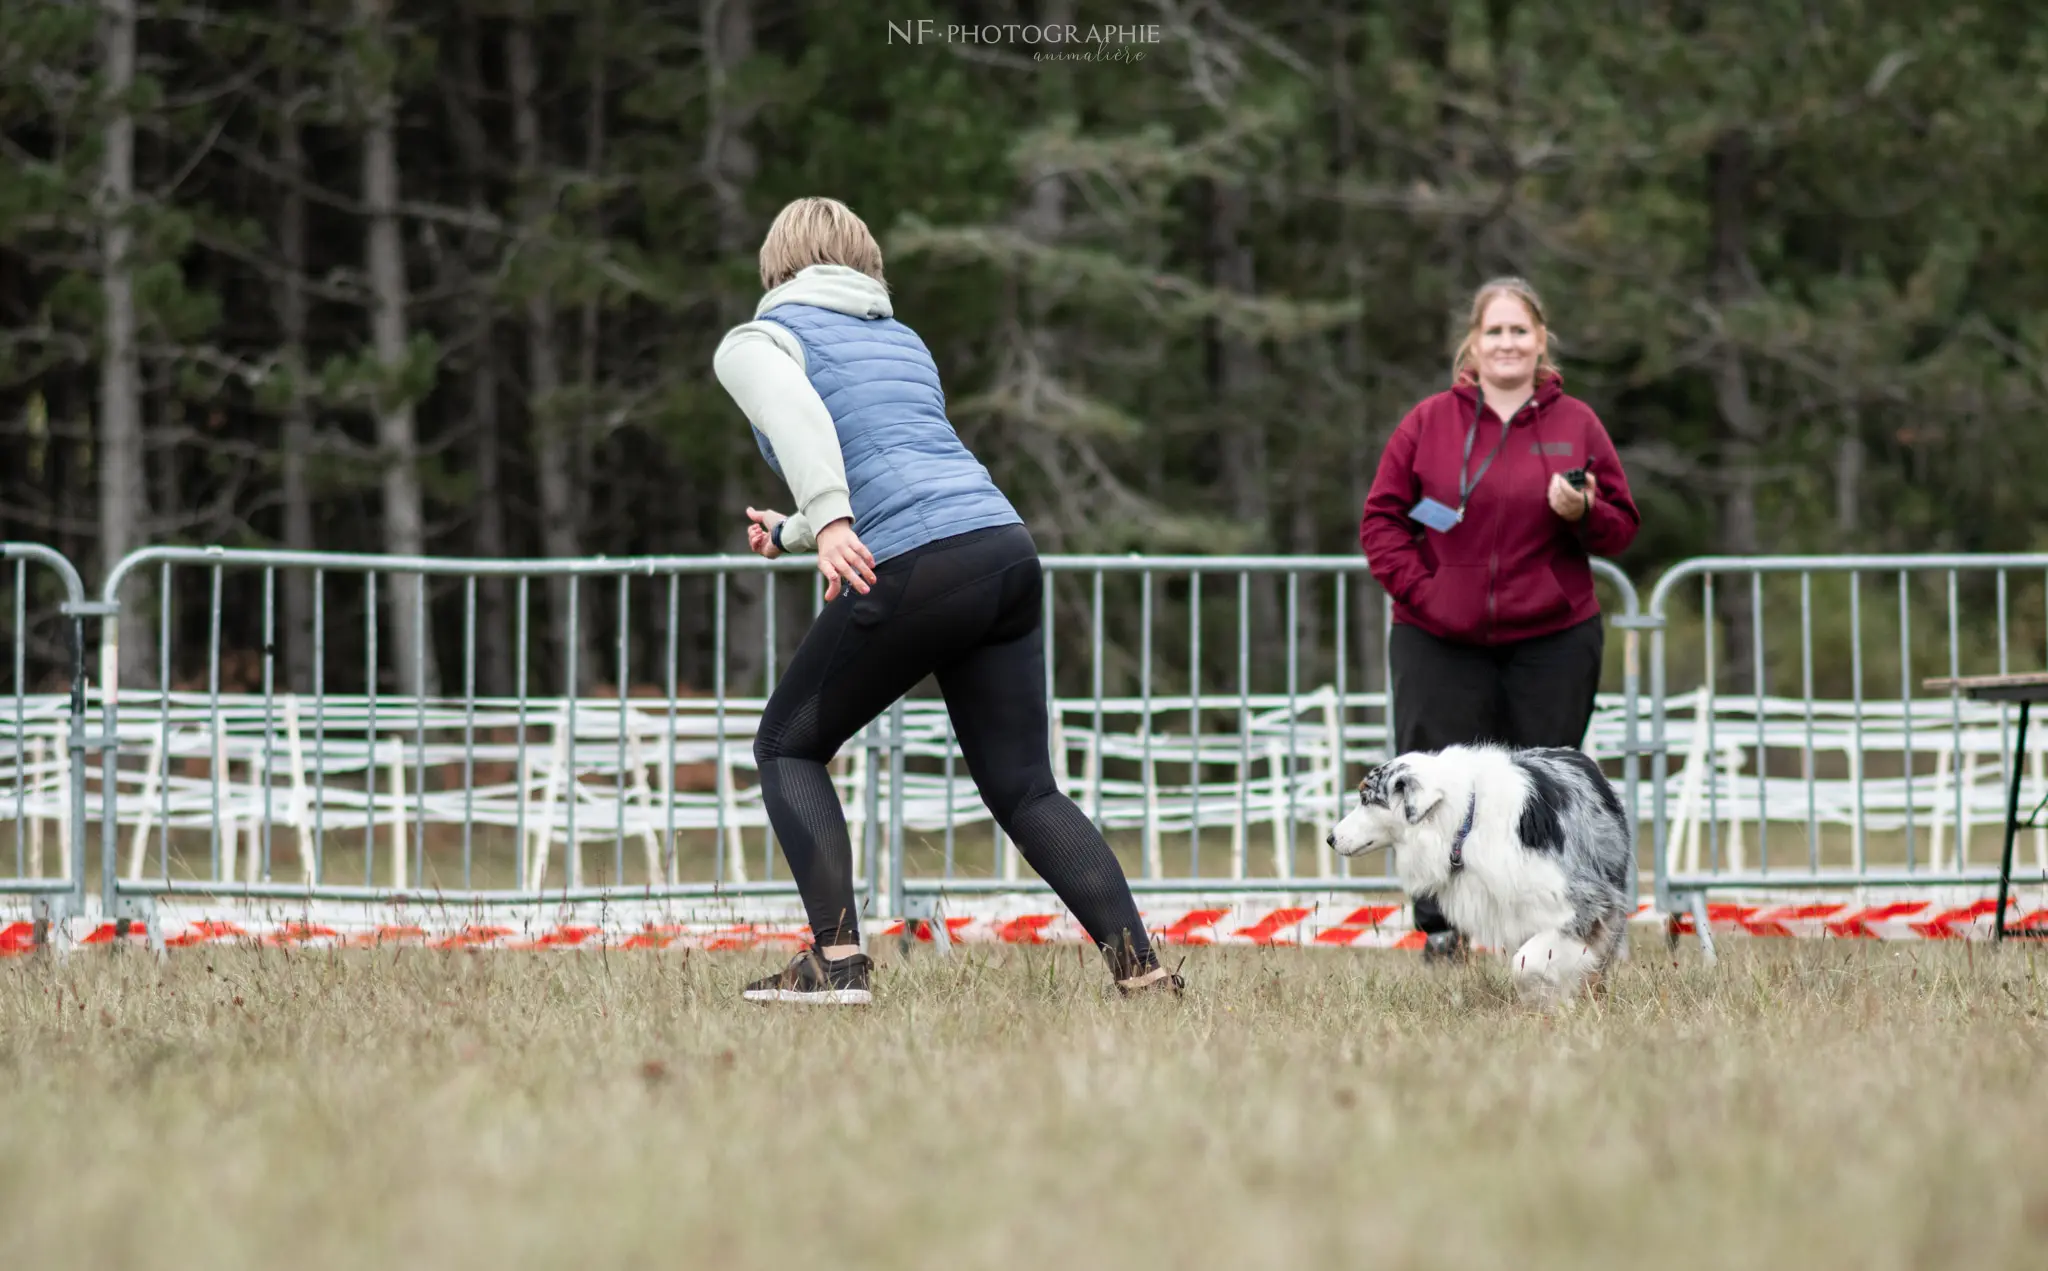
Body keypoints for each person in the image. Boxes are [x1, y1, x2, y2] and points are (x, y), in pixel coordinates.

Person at [712, 196, 1181, 1004]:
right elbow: (894, 457)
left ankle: (837, 959)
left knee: (786, 747)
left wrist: (828, 522)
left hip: (920, 559)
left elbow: (800, 420)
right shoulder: (901, 338)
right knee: (1026, 787)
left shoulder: (757, 340)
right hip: (1001, 548)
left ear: (776, 263)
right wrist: (797, 531)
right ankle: (1142, 968)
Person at [1357, 276, 1640, 961]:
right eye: (1495, 332)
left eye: (1520, 331)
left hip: (1552, 638)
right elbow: (1381, 520)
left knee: (1539, 792)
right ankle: (1444, 930)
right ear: (1473, 345)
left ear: (1541, 342)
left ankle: (1552, 930)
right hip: (1438, 640)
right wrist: (1425, 592)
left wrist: (1583, 513)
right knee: (1430, 789)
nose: (1507, 343)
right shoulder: (1427, 422)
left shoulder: (1578, 424)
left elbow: (1622, 529)